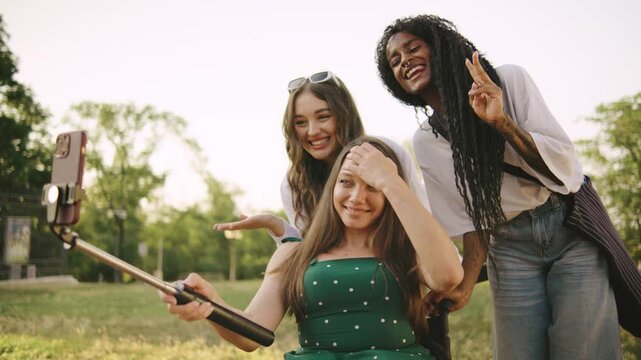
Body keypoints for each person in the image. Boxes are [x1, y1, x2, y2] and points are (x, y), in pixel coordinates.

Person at [375, 15, 622, 359]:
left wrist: (501, 123)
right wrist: (465, 285)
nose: (405, 61)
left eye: (413, 48)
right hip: (509, 247)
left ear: (439, 46)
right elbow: (471, 220)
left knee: (583, 350)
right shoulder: (428, 140)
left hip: (569, 230)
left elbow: (562, 171)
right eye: (395, 61)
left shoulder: (508, 80)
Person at [160, 136, 463, 359]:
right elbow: (252, 332)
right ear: (333, 186)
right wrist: (211, 304)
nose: (357, 197)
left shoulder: (408, 248)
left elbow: (448, 276)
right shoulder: (295, 252)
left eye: (372, 187)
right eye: (347, 182)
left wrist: (391, 181)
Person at [214, 71, 428, 243]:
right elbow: (306, 251)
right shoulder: (294, 183)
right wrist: (275, 225)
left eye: (323, 117)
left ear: (344, 114)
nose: (312, 131)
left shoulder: (385, 153)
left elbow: (424, 218)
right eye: (300, 122)